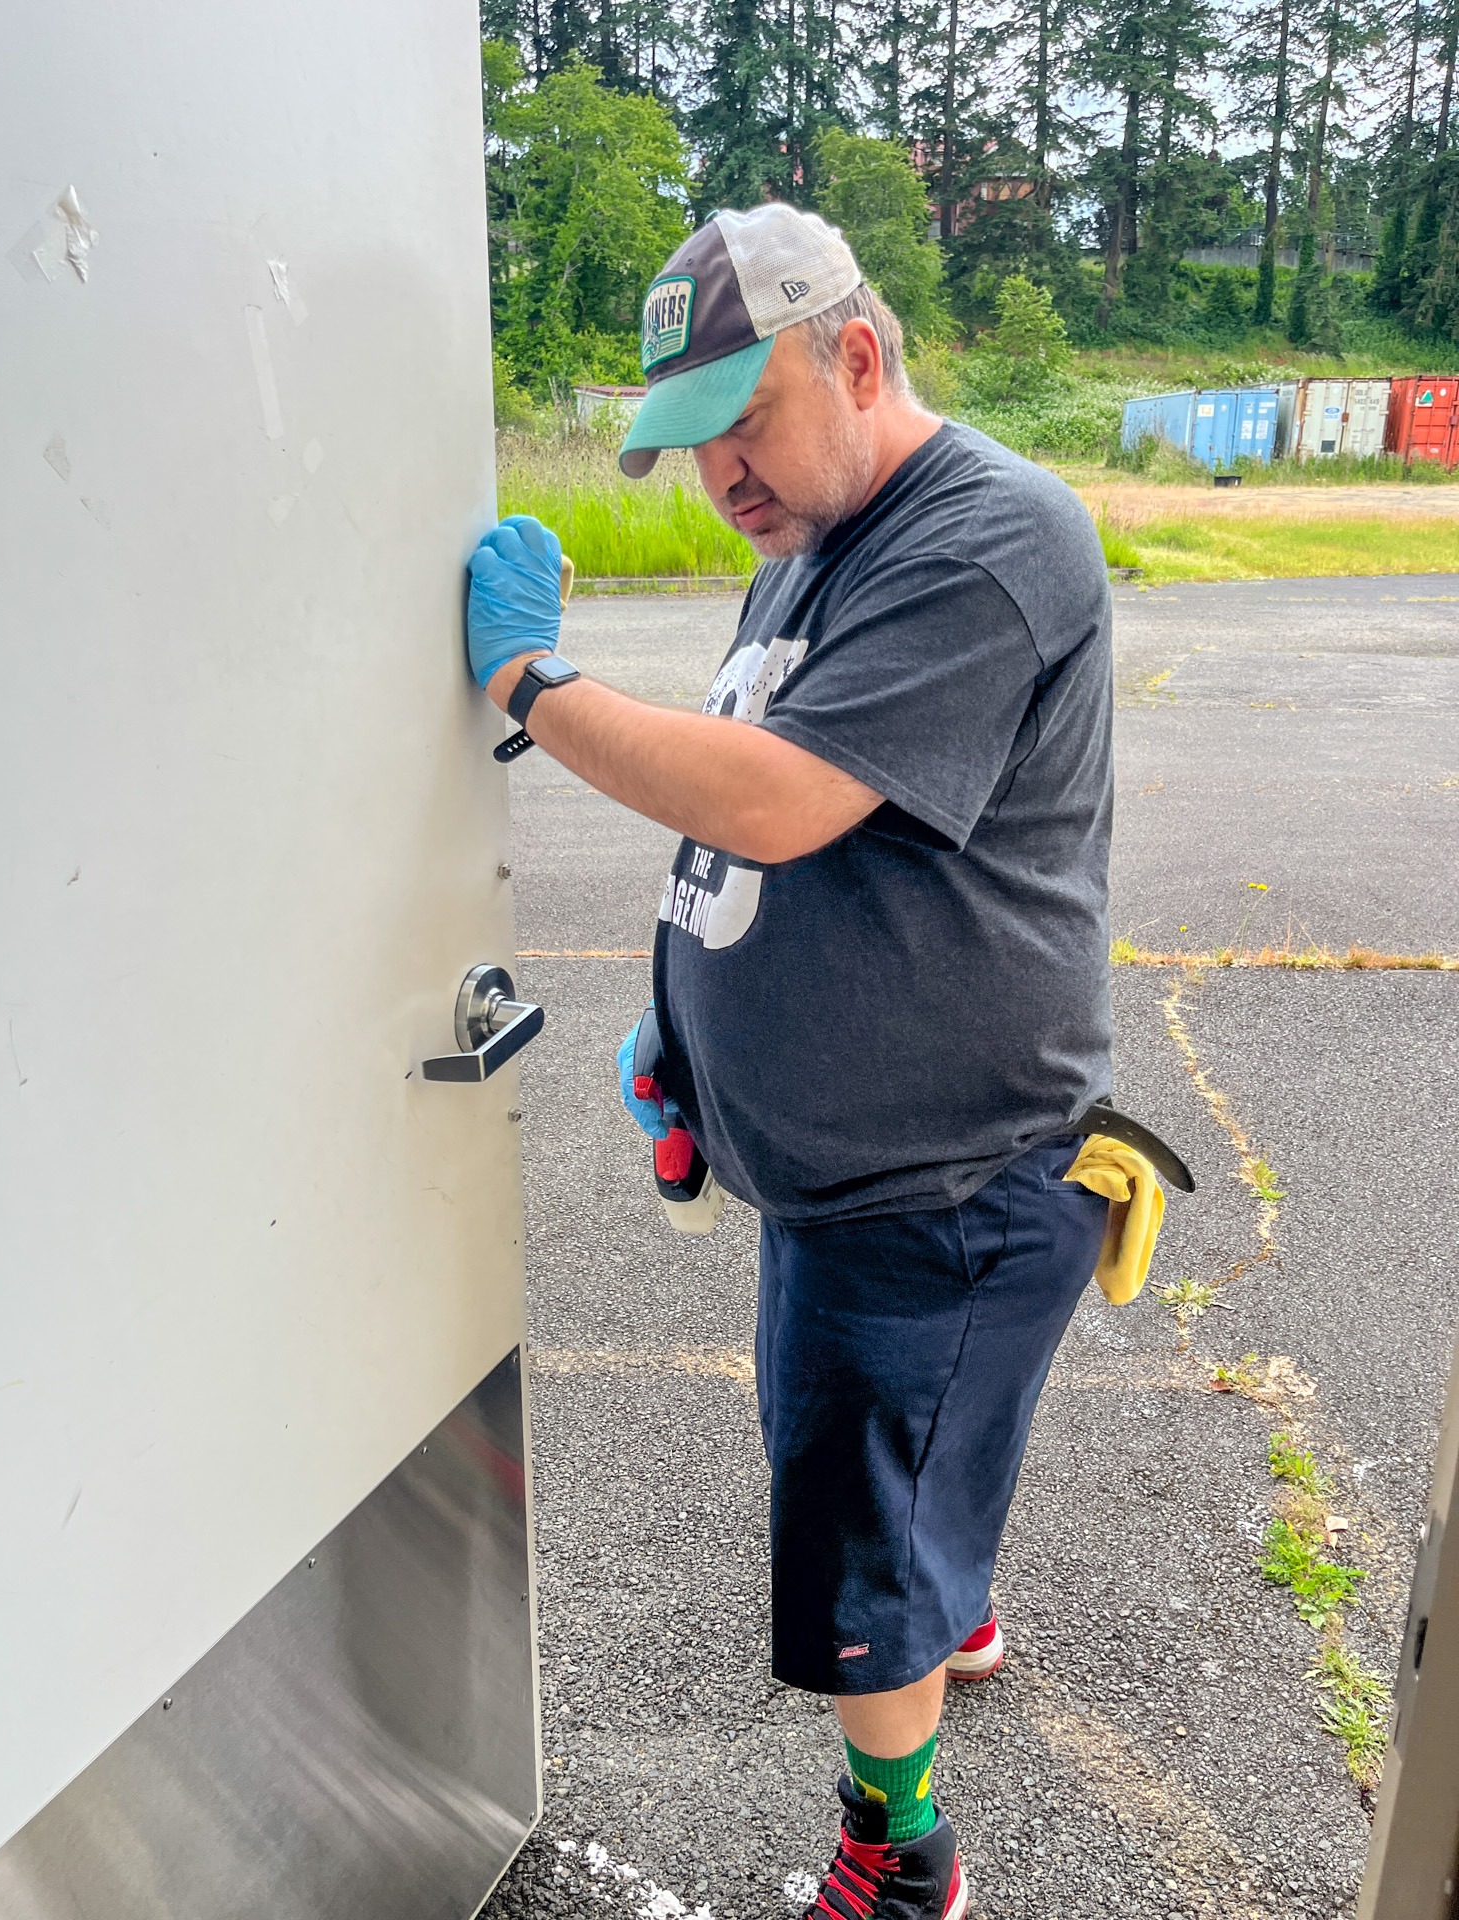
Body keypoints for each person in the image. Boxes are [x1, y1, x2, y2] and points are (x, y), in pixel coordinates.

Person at [466, 202, 1114, 1920]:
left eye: (743, 427)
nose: (722, 481)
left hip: (934, 1190)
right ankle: (948, 1600)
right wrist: (685, 1030)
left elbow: (768, 796)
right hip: (851, 1176)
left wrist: (534, 681)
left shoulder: (985, 540)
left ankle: (902, 1863)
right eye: (690, 449)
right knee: (886, 1468)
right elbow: (760, 815)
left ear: (859, 355)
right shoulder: (817, 541)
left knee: (852, 1549)